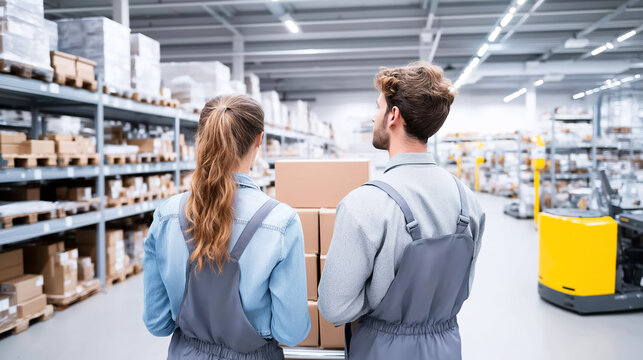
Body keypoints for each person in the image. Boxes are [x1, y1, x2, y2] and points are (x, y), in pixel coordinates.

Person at [318, 61, 485, 359]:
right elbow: (463, 288)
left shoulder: (364, 204)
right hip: (445, 347)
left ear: (393, 115)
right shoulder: (468, 200)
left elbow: (335, 306)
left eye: (378, 107)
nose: (373, 117)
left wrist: (375, 294)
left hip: (383, 349)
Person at [143, 94, 310, 359]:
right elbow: (291, 331)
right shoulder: (281, 222)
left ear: (202, 138)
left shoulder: (166, 215)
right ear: (259, 140)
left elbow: (157, 322)